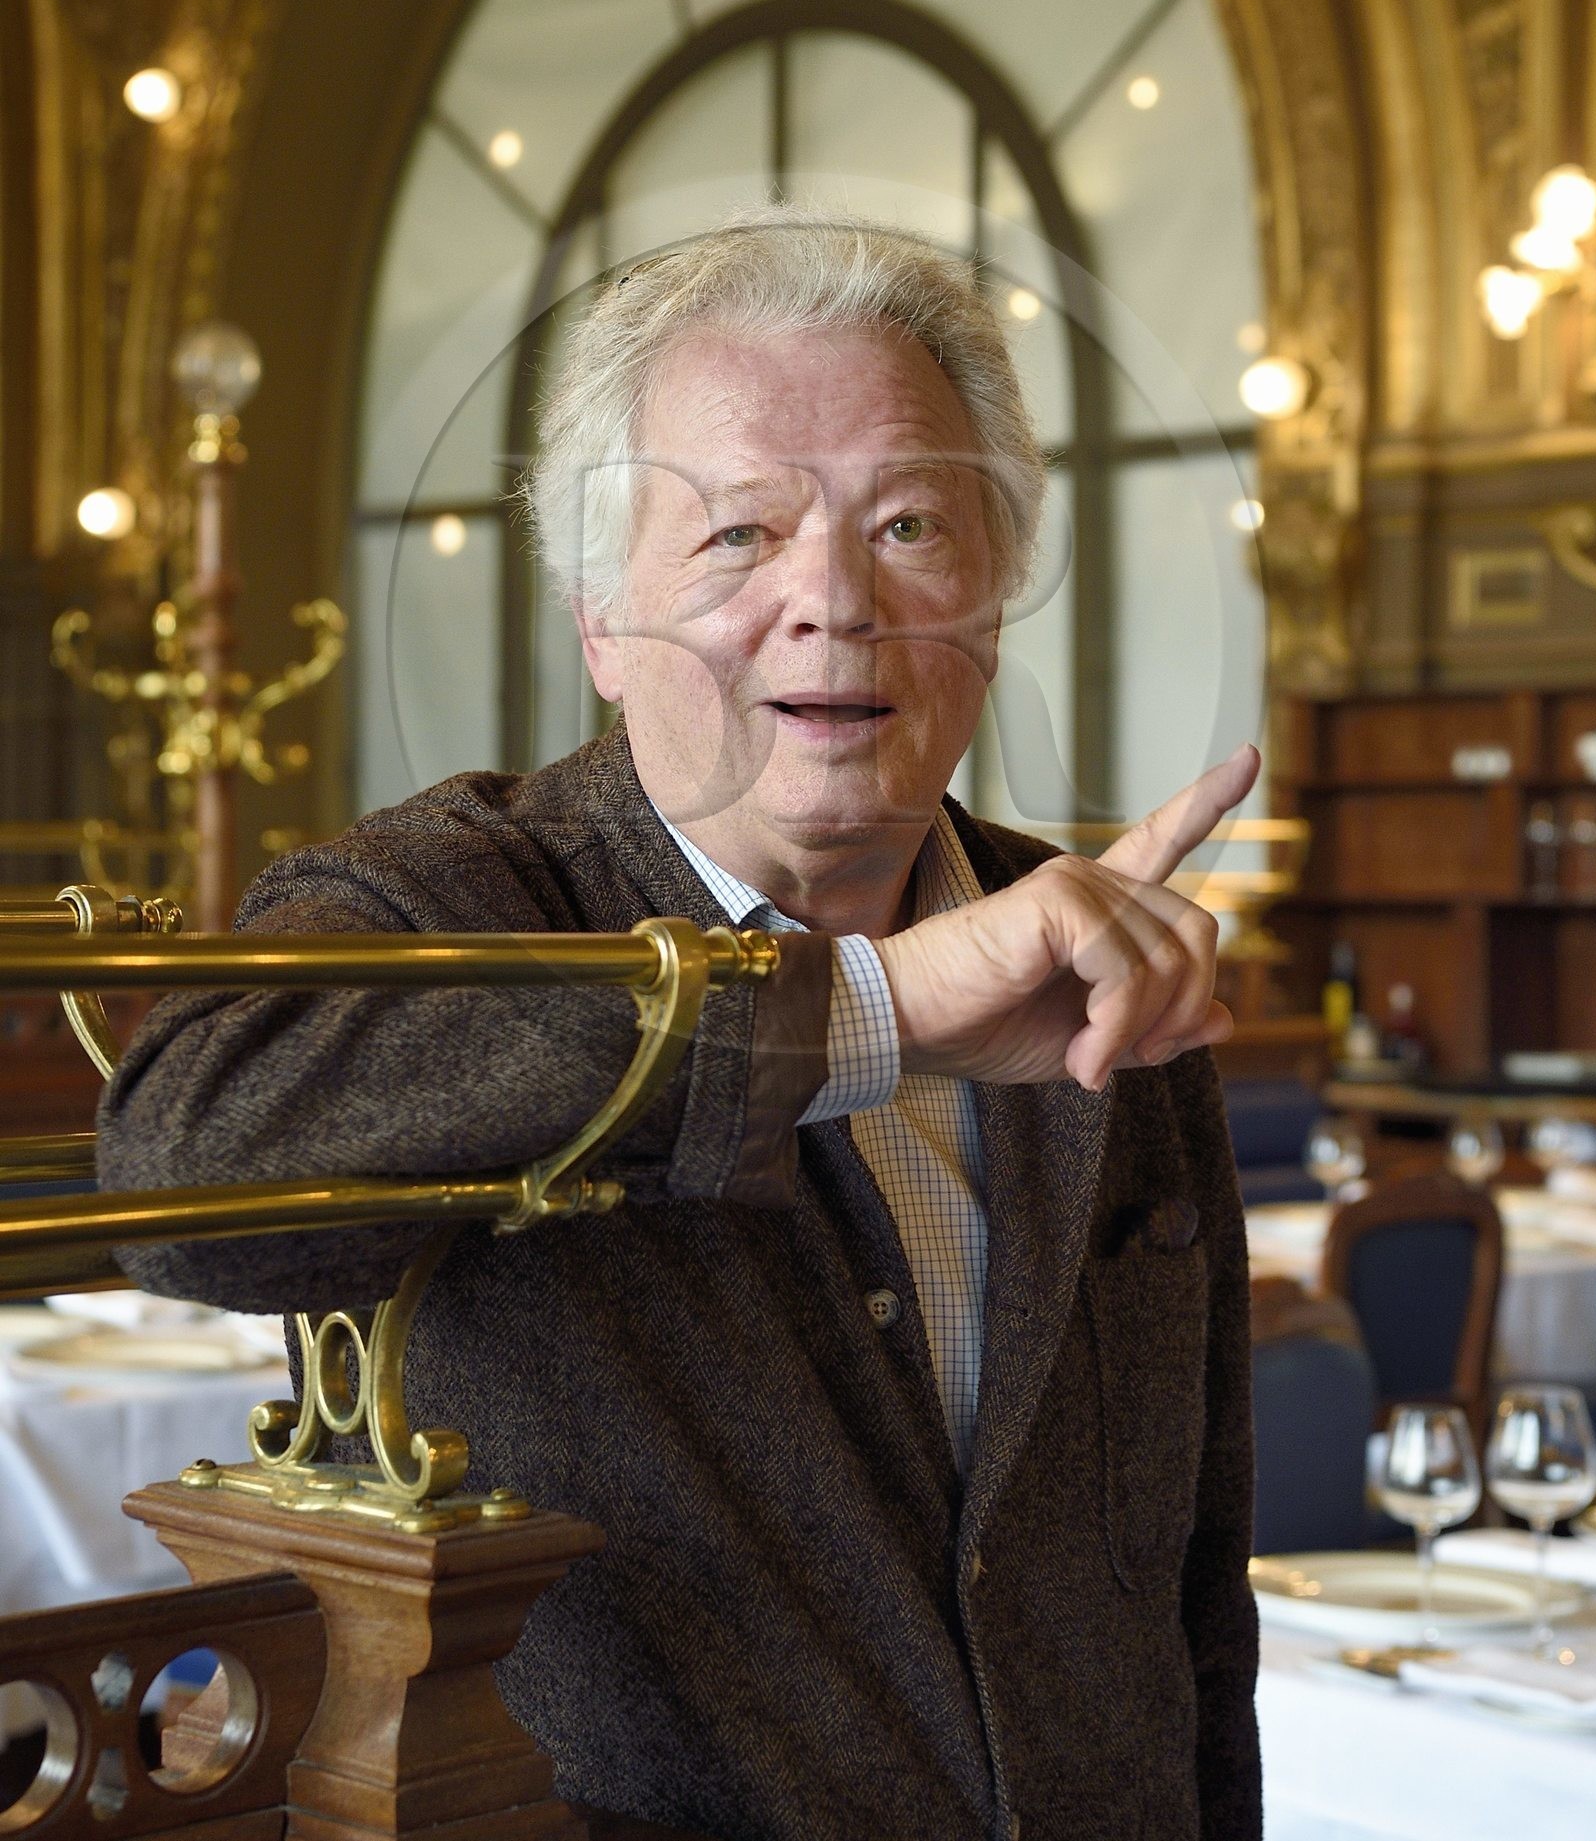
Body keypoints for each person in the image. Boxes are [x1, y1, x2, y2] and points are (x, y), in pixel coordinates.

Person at [99, 214, 1262, 1841]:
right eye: (737, 535)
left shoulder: (1094, 944)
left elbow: (1200, 1597)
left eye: (911, 522)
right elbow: (186, 1164)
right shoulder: (456, 896)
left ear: (993, 600)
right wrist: (872, 1010)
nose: (833, 601)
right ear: (599, 619)